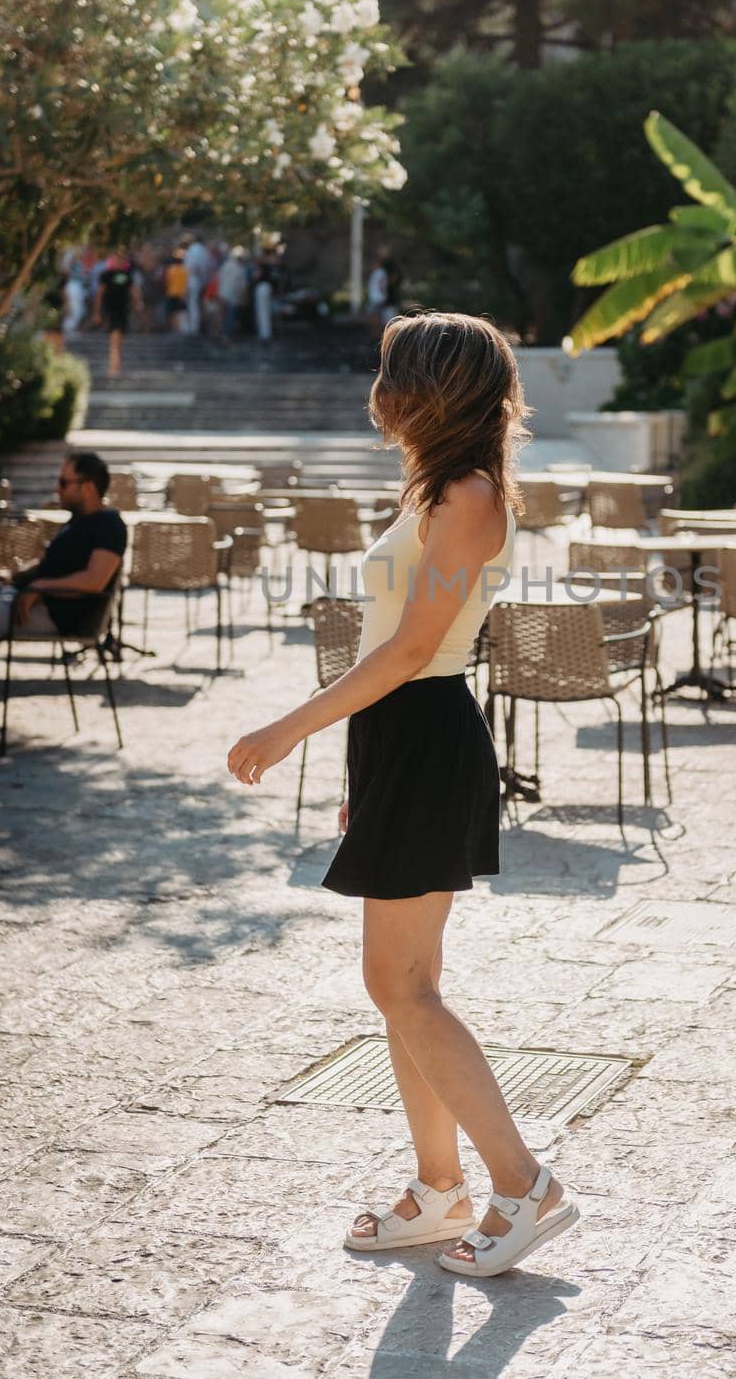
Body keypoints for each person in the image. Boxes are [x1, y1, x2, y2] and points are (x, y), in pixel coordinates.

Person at [227, 311, 578, 1279]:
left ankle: (523, 1184)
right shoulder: (438, 484)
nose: (377, 383)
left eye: (392, 368)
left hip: (426, 731)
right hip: (401, 739)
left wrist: (287, 728)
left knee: (402, 985)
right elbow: (400, 645)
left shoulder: (467, 494)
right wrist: (357, 771)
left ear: (429, 386)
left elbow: (415, 649)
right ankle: (439, 1187)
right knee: (403, 986)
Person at [0, 453, 126, 649]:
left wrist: (41, 587)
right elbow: (50, 563)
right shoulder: (78, 519)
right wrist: (12, 576)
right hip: (26, 592)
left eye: (63, 483)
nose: (57, 489)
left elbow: (94, 580)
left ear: (87, 487)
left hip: (52, 612)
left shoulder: (110, 525)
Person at [92, 249, 142, 376]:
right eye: (116, 258)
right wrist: (96, 312)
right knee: (114, 337)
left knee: (119, 339)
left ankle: (116, 364)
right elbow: (99, 294)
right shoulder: (106, 275)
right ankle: (113, 367)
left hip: (123, 310)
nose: (118, 261)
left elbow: (134, 292)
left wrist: (138, 305)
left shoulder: (127, 275)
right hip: (110, 310)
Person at [183, 233, 212, 336]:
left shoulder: (191, 249)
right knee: (197, 304)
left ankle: (193, 327)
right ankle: (197, 326)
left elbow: (188, 266)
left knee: (192, 304)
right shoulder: (204, 251)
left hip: (192, 280)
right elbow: (207, 266)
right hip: (200, 281)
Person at [218, 247, 249, 343]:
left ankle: (222, 333)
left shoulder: (226, 265)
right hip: (233, 296)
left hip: (223, 293)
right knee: (230, 315)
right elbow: (242, 286)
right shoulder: (240, 269)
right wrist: (243, 298)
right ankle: (226, 335)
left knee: (224, 315)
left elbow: (220, 277)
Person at [163, 248, 188, 332]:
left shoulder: (170, 270)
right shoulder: (185, 270)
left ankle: (174, 329)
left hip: (172, 293)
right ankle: (178, 329)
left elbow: (167, 281)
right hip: (181, 294)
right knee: (179, 313)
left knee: (172, 313)